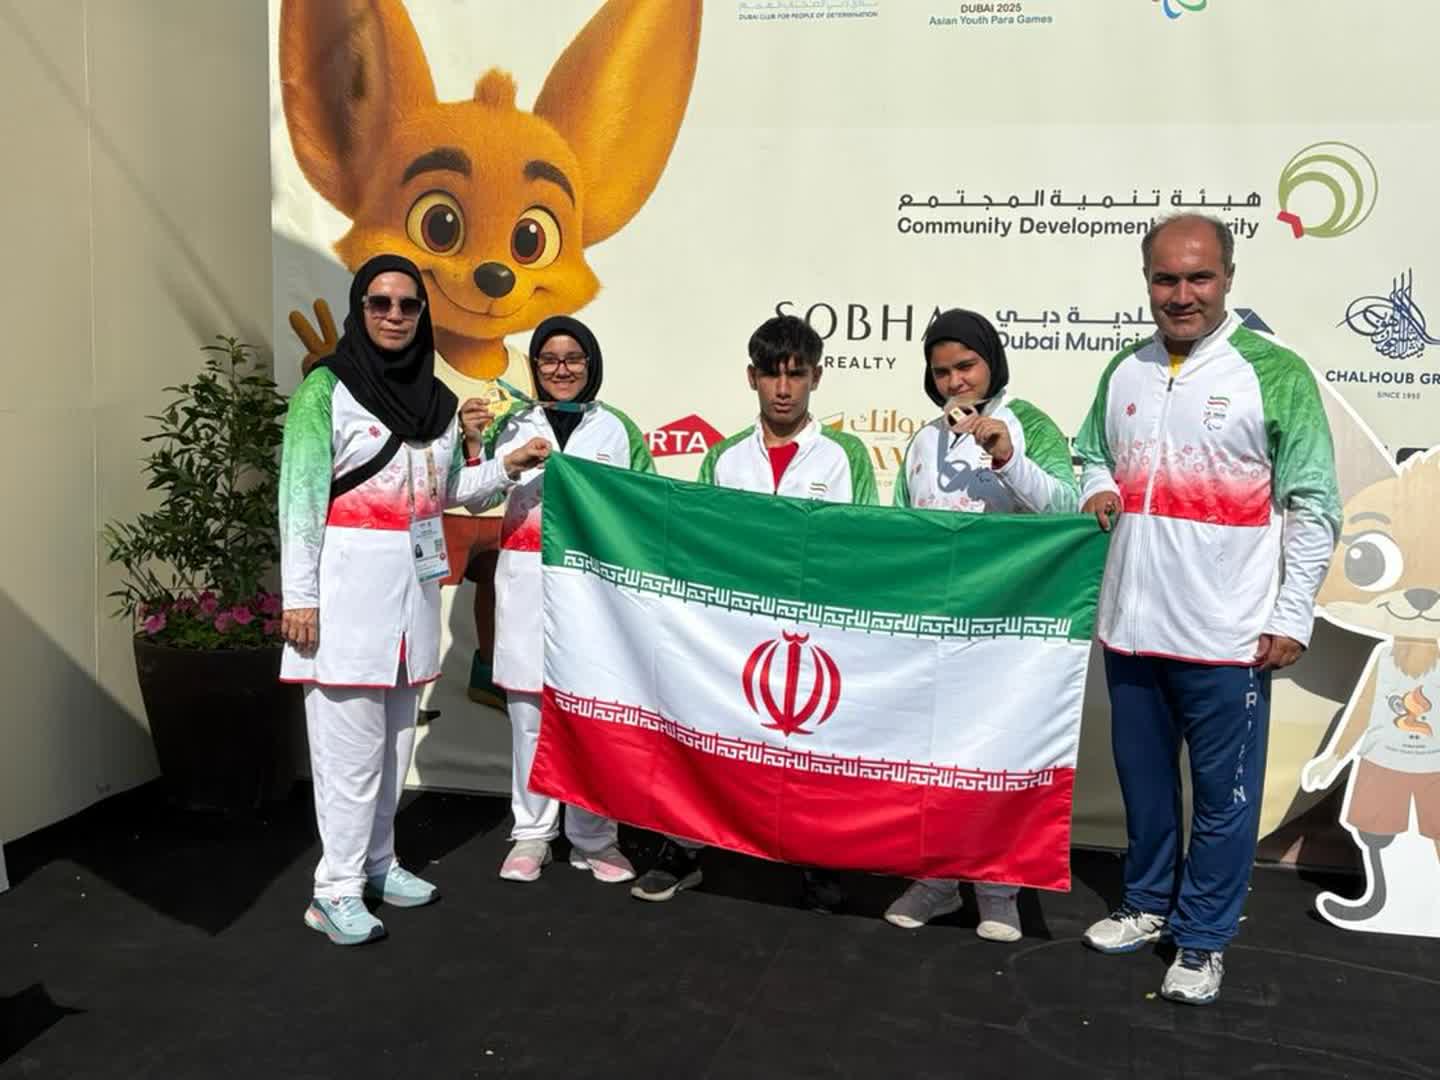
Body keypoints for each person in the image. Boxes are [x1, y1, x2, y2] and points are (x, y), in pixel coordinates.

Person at [1074, 214, 1340, 1004]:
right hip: (1131, 628)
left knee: (1224, 801)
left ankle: (1202, 939)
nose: (1181, 294)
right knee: (1145, 785)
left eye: (1199, 277)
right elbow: (1091, 452)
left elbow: (1315, 504)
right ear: (1147, 282)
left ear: (1227, 277)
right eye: (1166, 279)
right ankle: (1146, 903)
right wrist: (1097, 484)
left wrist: (1291, 615)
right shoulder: (1124, 368)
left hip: (1225, 637)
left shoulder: (1274, 373)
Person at [279, 254, 550, 945]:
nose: (394, 315)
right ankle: (334, 890)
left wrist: (505, 466)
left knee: (395, 746)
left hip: (413, 604)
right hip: (344, 601)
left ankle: (377, 864)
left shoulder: (436, 401)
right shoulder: (325, 392)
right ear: (359, 308)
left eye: (407, 304)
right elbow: (300, 498)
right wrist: (300, 598)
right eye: (380, 302)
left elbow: (450, 492)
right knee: (348, 755)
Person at [628, 314, 878, 910]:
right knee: (707, 734)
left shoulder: (845, 455)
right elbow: (702, 546)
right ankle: (683, 849)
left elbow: (866, 543)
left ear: (817, 377)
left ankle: (816, 859)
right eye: (772, 375)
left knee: (812, 747)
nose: (783, 389)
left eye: (796, 375)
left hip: (814, 634)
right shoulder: (723, 458)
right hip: (733, 631)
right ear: (751, 377)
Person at [880, 308, 1079, 941]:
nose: (955, 382)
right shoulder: (922, 441)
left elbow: (1068, 507)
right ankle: (936, 881)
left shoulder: (1029, 423)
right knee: (933, 758)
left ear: (991, 361)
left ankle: (999, 891)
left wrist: (1007, 457)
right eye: (942, 372)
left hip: (1011, 627)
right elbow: (904, 529)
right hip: (936, 629)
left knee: (1000, 755)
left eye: (966, 366)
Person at [486, 316, 656, 884]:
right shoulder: (511, 425)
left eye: (574, 358)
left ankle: (595, 838)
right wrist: (495, 456)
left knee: (591, 714)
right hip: (527, 584)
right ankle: (531, 834)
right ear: (535, 366)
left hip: (594, 594)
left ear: (591, 363)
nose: (562, 370)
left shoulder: (617, 429)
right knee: (529, 716)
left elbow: (645, 507)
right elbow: (474, 493)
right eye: (549, 359)